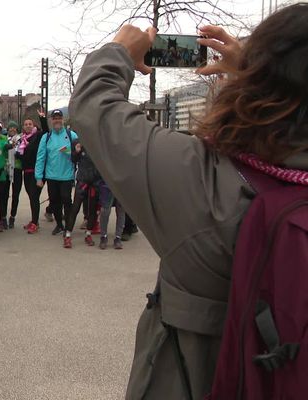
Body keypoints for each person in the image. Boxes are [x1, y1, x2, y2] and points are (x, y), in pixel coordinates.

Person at [69, 6, 308, 398]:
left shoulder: (202, 180)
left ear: (258, 82)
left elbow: (95, 108)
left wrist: (117, 52)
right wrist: (253, 65)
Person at [35, 109, 78, 236]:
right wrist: (38, 177)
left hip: (66, 175)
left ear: (63, 120)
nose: (57, 120)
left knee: (66, 199)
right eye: (55, 118)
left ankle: (68, 228)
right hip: (51, 175)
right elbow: (40, 157)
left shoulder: (72, 135)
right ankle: (59, 225)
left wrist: (69, 150)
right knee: (54, 201)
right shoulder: (46, 137)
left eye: (59, 118)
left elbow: (79, 152)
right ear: (51, 120)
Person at [63, 140, 101, 248]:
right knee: (75, 208)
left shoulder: (97, 141)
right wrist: (77, 151)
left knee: (92, 210)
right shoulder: (78, 141)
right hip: (82, 180)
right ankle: (68, 235)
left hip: (94, 181)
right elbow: (73, 159)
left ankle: (88, 234)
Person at [16, 115, 43, 234]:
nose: (28, 126)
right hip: (26, 172)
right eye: (26, 124)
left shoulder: (37, 137)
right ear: (23, 127)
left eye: (30, 124)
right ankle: (34, 221)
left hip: (35, 172)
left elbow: (46, 131)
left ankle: (35, 223)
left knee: (34, 197)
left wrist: (42, 118)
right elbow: (23, 156)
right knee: (31, 197)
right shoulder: (22, 139)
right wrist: (17, 154)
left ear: (33, 126)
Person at [6, 121, 22, 229]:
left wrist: (18, 152)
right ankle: (2, 216)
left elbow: (22, 153)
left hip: (17, 169)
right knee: (4, 194)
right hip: (6, 169)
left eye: (14, 128)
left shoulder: (21, 139)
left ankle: (12, 216)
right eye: (10, 127)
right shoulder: (4, 139)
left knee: (15, 195)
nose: (12, 129)